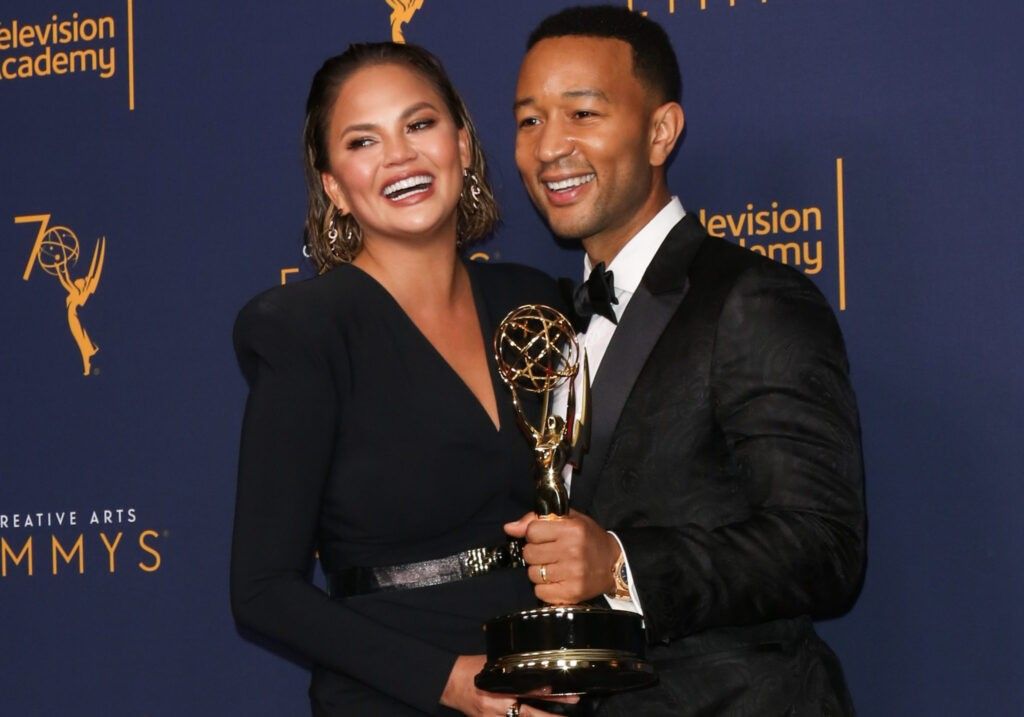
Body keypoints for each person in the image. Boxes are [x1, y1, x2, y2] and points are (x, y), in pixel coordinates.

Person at [505, 6, 866, 715]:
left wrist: (619, 562)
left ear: (661, 131)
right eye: (528, 120)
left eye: (582, 113)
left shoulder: (752, 299)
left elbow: (825, 547)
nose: (550, 146)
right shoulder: (549, 323)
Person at [231, 42, 573, 717]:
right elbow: (263, 588)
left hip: (546, 683)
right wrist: (449, 679)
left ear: (463, 145)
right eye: (363, 140)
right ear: (333, 185)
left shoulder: (532, 303)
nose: (400, 156)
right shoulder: (305, 329)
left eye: (419, 125)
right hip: (394, 696)